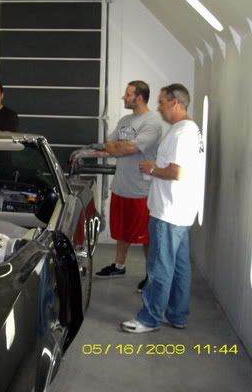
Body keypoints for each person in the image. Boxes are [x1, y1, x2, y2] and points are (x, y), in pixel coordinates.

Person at [122, 84, 204, 333]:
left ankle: (149, 318)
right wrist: (156, 168)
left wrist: (152, 169)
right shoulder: (190, 129)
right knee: (179, 266)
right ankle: (178, 315)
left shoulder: (181, 133)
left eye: (162, 102)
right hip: (180, 210)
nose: (159, 107)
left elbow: (176, 172)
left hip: (168, 211)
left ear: (175, 103)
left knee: (159, 266)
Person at [95, 81, 164, 293]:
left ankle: (151, 275)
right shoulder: (125, 120)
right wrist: (120, 147)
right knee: (122, 231)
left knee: (146, 236)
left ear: (139, 97)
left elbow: (131, 149)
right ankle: (119, 266)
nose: (124, 98)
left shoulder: (152, 122)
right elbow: (109, 144)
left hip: (141, 190)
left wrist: (120, 147)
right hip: (121, 186)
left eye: (128, 94)